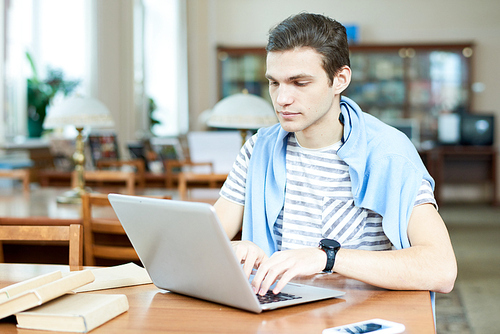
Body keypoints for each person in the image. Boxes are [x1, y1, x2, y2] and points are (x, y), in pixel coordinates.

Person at [213, 12, 457, 299]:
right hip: (275, 311)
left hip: (357, 315)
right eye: (274, 83)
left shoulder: (390, 153)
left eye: (300, 83)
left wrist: (328, 258)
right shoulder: (258, 149)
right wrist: (232, 247)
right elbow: (204, 241)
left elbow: (441, 270)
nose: (281, 99)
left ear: (339, 79)